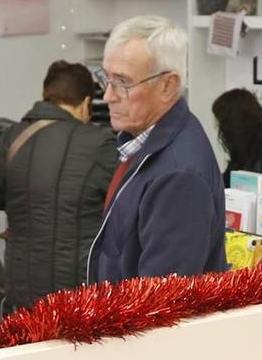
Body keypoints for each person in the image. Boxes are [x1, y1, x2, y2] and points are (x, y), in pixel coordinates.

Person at [89, 15, 225, 282]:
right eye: (106, 78)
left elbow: (160, 305)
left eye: (123, 82)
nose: (107, 96)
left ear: (168, 85)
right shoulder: (141, 142)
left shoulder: (178, 175)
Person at [0, 60, 115, 311]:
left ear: (45, 96)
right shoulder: (100, 143)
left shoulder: (13, 136)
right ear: (85, 103)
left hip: (22, 288)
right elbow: (120, 205)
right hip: (77, 291)